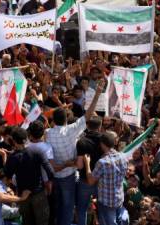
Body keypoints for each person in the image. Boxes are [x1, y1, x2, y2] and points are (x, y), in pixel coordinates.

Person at [44, 79, 104, 225]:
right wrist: (97, 94)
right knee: (68, 206)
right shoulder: (71, 130)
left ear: (53, 120)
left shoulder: (47, 133)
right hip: (68, 177)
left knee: (57, 206)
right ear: (66, 119)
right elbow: (89, 115)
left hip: (52, 176)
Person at [4, 127, 55, 225]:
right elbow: (51, 172)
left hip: (23, 197)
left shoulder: (13, 158)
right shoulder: (38, 151)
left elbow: (7, 177)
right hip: (39, 194)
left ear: (14, 141)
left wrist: (6, 158)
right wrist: (49, 185)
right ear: (27, 137)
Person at [84, 132, 129, 225]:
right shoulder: (123, 156)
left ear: (102, 144)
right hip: (119, 198)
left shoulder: (102, 162)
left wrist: (87, 163)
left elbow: (91, 181)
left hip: (106, 202)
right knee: (118, 221)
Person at [76, 116, 103, 225]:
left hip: (84, 181)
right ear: (100, 127)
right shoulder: (104, 140)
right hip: (100, 181)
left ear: (87, 126)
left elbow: (79, 166)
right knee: (102, 210)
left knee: (82, 209)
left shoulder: (81, 142)